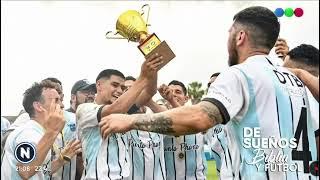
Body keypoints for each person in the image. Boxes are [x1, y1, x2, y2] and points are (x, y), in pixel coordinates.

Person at [99, 6, 318, 180]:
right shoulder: (296, 81)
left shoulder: (241, 74)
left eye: (230, 34)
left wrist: (132, 120)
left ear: (240, 37)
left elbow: (200, 117)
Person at [76, 53, 163, 179]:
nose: (120, 91)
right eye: (114, 85)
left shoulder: (123, 113)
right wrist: (143, 77)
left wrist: (153, 65)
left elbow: (150, 92)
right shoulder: (85, 109)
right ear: (99, 85)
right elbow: (115, 108)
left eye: (122, 87)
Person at [1, 80, 79, 179]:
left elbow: (39, 170)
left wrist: (61, 160)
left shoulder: (39, 133)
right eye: (56, 100)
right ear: (38, 106)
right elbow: (25, 171)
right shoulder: (28, 134)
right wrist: (53, 131)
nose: (62, 105)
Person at [158, 80, 207, 180]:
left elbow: (186, 119)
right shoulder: (158, 122)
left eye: (178, 92)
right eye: (170, 91)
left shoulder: (197, 117)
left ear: (186, 98)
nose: (173, 94)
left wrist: (172, 100)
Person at [124, 76, 166, 180]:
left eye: (133, 88)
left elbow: (173, 118)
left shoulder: (156, 116)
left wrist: (147, 100)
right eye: (125, 90)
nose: (130, 92)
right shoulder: (121, 119)